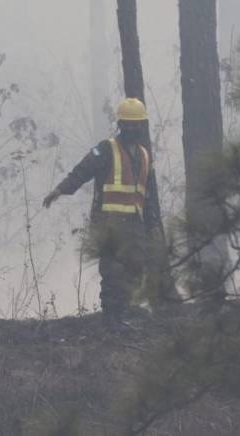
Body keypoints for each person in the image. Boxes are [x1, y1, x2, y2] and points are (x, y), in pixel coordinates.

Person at [43, 98, 174, 328]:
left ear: (143, 126)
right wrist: (60, 190)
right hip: (108, 224)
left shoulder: (144, 155)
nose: (133, 129)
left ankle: (124, 314)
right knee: (112, 273)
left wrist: (153, 225)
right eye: (129, 124)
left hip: (135, 225)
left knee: (134, 272)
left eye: (137, 125)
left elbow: (149, 195)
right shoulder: (105, 149)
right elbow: (82, 171)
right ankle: (111, 319)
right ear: (121, 124)